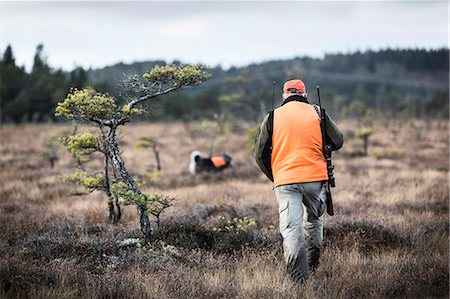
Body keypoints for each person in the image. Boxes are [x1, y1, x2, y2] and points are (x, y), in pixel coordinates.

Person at [254, 79, 344, 282]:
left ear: (284, 95)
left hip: (285, 181)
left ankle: (297, 281)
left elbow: (259, 155)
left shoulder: (272, 116)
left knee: (291, 230)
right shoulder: (318, 112)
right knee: (314, 223)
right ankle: (313, 266)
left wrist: (275, 176)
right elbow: (338, 141)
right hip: (315, 179)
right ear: (304, 94)